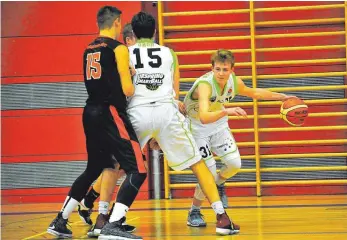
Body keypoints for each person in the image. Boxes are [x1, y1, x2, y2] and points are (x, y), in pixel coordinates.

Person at [99, 12, 240, 239]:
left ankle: (104, 217)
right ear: (154, 31)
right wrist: (160, 133)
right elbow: (174, 92)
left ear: (132, 34)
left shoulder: (124, 52)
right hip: (166, 112)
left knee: (115, 164)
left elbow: (120, 88)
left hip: (137, 112)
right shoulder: (169, 53)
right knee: (199, 164)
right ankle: (222, 217)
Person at [47, 6, 147, 239]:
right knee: (138, 168)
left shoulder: (88, 49)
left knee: (94, 168)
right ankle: (113, 225)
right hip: (110, 111)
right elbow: (127, 89)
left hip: (90, 111)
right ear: (117, 22)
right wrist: (133, 75)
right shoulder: (119, 48)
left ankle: (60, 219)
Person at [183, 49, 294, 227]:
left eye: (225, 70)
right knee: (208, 174)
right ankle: (194, 211)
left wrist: (283, 97)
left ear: (232, 70)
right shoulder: (205, 85)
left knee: (235, 165)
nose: (221, 73)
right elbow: (204, 116)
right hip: (197, 128)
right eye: (217, 69)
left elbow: (255, 93)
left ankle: (218, 184)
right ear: (212, 69)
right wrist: (227, 110)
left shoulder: (234, 82)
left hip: (218, 125)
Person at [77, 23, 139, 237]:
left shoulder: (106, 52)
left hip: (118, 114)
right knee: (122, 166)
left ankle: (93, 205)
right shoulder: (121, 52)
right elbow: (126, 89)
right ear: (130, 39)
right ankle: (104, 215)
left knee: (117, 166)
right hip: (117, 115)